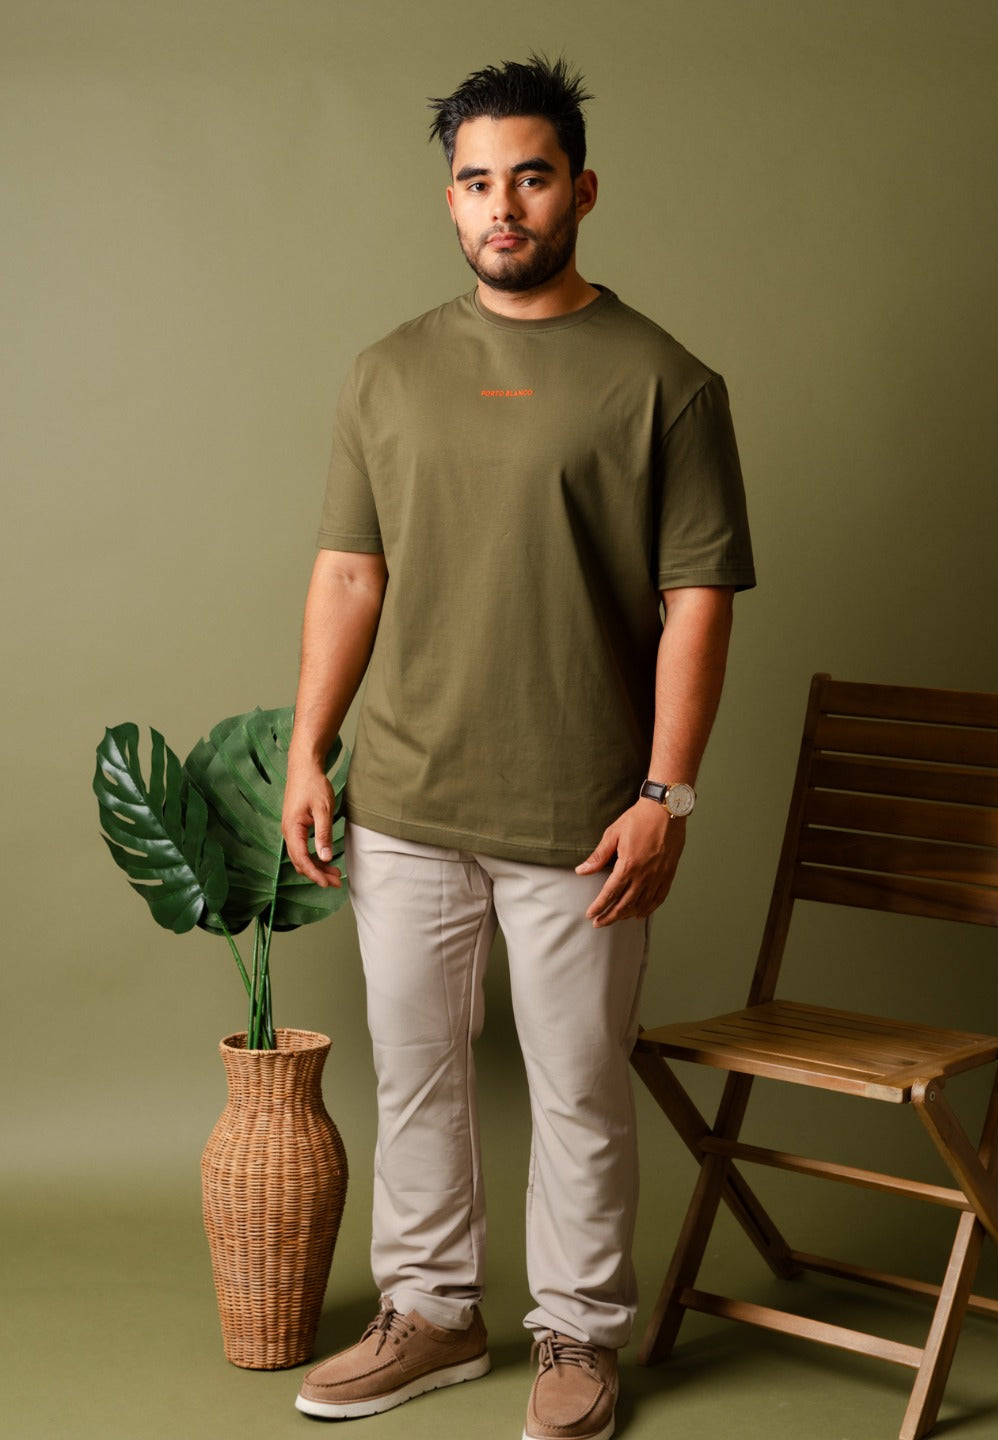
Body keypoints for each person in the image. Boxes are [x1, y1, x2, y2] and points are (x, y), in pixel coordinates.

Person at [281, 54, 755, 1440]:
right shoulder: (387, 372)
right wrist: (309, 751)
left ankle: (579, 1337)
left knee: (581, 1090)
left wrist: (667, 792)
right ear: (450, 200)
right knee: (417, 1074)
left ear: (581, 191)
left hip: (585, 811)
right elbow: (349, 573)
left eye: (531, 177)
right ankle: (430, 1314)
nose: (504, 205)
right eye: (478, 181)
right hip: (408, 798)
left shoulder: (668, 382)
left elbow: (699, 601)